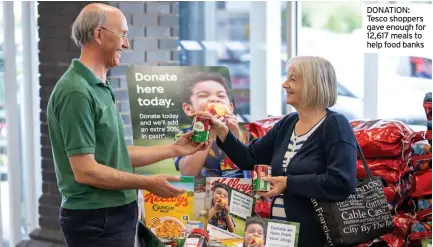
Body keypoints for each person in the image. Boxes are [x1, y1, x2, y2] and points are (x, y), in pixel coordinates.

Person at [46, 4, 209, 247]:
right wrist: (147, 183)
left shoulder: (99, 86)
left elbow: (117, 155)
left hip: (114, 214)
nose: (126, 44)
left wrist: (175, 149)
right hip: (97, 218)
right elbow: (85, 170)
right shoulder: (76, 92)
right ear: (99, 35)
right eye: (122, 34)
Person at [195, 56, 358, 247]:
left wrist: (288, 183)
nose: (284, 84)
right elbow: (250, 158)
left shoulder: (335, 125)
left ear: (313, 84)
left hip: (316, 235)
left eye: (293, 79)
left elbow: (342, 181)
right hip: (281, 233)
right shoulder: (287, 123)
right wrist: (223, 131)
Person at [175, 72, 247, 191]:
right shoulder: (184, 136)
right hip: (200, 198)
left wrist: (233, 137)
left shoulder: (247, 133)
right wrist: (208, 134)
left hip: (238, 198)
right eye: (203, 95)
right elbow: (188, 173)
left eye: (221, 96)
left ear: (231, 107)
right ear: (188, 109)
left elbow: (254, 168)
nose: (214, 99)